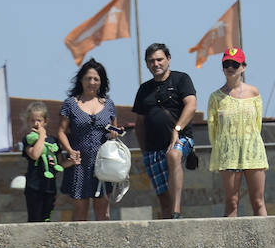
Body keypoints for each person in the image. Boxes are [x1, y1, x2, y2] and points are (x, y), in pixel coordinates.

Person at [132, 43, 197, 219]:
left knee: (174, 155)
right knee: (163, 199)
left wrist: (177, 129)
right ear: (147, 64)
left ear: (168, 59)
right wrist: (144, 150)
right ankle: (171, 223)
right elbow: (139, 122)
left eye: (159, 59)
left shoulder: (181, 79)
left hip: (181, 139)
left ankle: (177, 211)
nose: (156, 64)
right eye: (151, 61)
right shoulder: (144, 89)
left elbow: (191, 105)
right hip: (153, 149)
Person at [207, 47, 268, 218]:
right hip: (228, 153)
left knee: (258, 201)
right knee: (232, 201)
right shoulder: (215, 97)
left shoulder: (254, 93)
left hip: (253, 151)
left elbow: (258, 124)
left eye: (235, 63)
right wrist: (220, 152)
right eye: (227, 63)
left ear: (243, 67)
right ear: (222, 67)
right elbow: (213, 129)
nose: (231, 67)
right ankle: (228, 244)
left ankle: (267, 243)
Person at [58, 58, 121, 221]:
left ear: (101, 82)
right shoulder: (70, 104)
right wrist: (69, 150)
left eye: (96, 79)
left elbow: (115, 130)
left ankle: (105, 246)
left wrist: (115, 134)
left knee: (102, 210)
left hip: (103, 163)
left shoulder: (109, 105)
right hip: (79, 163)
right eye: (88, 78)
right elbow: (61, 132)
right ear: (81, 79)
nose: (91, 82)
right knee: (80, 209)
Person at [22, 101, 66, 222]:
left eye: (39, 120)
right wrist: (42, 136)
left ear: (45, 121)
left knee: (47, 219)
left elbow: (60, 163)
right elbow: (35, 154)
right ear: (28, 122)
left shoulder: (53, 141)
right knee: (35, 219)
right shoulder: (28, 139)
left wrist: (72, 161)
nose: (36, 124)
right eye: (32, 120)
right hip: (34, 187)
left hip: (50, 187)